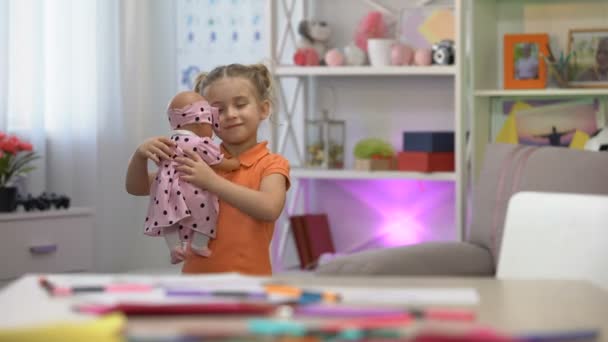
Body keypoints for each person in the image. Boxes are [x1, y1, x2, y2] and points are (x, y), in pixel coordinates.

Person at [125, 63, 290, 275]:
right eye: (218, 110)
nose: (230, 114)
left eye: (240, 104)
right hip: (196, 280)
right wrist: (139, 156)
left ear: (263, 109)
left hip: (250, 281)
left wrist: (212, 182)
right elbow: (136, 187)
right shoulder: (195, 159)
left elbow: (269, 208)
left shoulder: (271, 164)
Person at [143, 91, 240, 264]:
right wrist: (235, 163)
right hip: (194, 191)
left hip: (165, 192)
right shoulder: (199, 143)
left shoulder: (167, 142)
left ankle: (175, 248)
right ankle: (198, 244)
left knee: (169, 220)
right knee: (209, 214)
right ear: (201, 123)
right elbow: (218, 163)